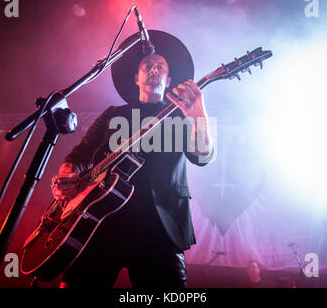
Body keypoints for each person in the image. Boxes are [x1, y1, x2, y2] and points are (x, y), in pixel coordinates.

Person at [51, 30, 214, 288]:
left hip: (161, 227)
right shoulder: (112, 114)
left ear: (169, 79)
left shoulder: (181, 117)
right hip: (102, 222)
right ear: (135, 78)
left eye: (160, 66)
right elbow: (79, 155)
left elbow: (202, 157)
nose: (153, 70)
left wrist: (199, 116)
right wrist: (68, 174)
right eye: (147, 65)